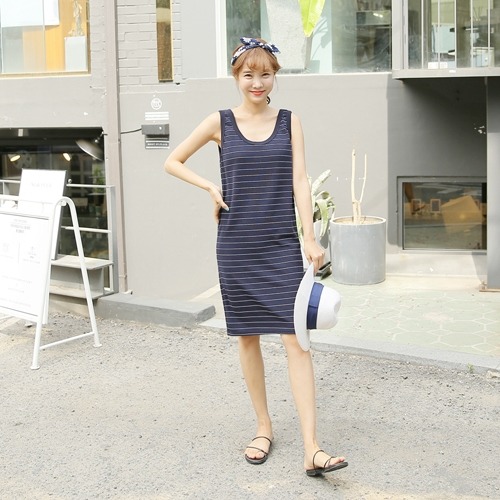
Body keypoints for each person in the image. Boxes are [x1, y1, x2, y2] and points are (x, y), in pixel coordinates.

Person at [164, 37, 348, 477]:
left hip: (281, 244)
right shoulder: (220, 122)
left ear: (274, 77)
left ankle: (312, 447)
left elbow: (300, 180)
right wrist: (210, 187)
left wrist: (309, 237)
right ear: (237, 77)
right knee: (247, 337)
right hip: (237, 246)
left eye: (265, 74)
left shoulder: (289, 121)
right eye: (249, 74)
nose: (257, 82)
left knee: (296, 340)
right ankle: (263, 427)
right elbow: (173, 160)